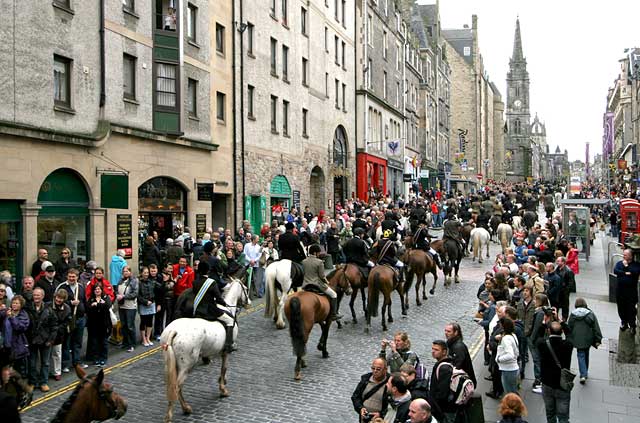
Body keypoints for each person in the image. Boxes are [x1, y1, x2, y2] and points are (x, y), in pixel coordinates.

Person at [187, 261, 236, 353]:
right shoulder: (211, 282)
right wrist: (224, 304)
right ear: (208, 271)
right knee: (230, 321)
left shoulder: (195, 282)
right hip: (210, 310)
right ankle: (228, 345)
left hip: (197, 309)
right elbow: (218, 298)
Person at [537, 321, 573, 423]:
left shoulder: (542, 344)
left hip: (547, 384)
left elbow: (538, 337)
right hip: (562, 385)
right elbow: (570, 335)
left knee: (550, 413)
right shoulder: (567, 345)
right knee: (563, 416)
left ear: (548, 331)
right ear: (561, 332)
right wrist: (563, 322)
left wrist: (543, 323)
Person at [26, 288, 58, 392]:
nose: (36, 297)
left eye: (38, 295)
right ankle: (32, 382)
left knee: (45, 362)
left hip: (45, 340)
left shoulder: (49, 310)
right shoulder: (28, 308)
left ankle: (43, 382)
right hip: (32, 340)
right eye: (34, 295)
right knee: (32, 362)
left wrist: (51, 340)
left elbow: (54, 326)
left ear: (42, 296)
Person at [56, 268, 87, 371]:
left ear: (77, 277)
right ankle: (65, 364)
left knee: (77, 341)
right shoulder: (62, 287)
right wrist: (70, 303)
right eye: (70, 276)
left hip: (80, 318)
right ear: (67, 277)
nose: (71, 278)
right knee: (66, 342)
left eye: (73, 277)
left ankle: (77, 362)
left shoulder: (81, 287)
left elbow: (84, 301)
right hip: (67, 319)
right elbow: (57, 301)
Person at [301, 244, 341, 321]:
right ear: (315, 253)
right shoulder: (319, 262)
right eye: (318, 253)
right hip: (316, 284)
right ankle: (333, 314)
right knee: (334, 294)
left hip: (305, 284)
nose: (319, 254)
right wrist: (327, 282)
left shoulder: (303, 261)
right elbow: (322, 276)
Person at [567, 298, 602, 384]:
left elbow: (569, 327)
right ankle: (584, 372)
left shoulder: (573, 314)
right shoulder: (590, 314)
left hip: (577, 339)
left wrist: (569, 338)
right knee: (586, 353)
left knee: (580, 355)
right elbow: (596, 327)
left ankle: (583, 374)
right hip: (588, 338)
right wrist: (598, 339)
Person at [351, 357, 389, 422]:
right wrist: (361, 408)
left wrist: (381, 414)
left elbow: (391, 405)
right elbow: (355, 396)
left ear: (385, 369)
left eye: (378, 369)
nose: (375, 371)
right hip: (364, 419)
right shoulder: (365, 379)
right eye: (373, 368)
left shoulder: (390, 383)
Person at [0, 296, 30, 377]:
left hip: (17, 345)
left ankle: (18, 386)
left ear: (21, 305)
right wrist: (3, 312)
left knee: (17, 369)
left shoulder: (23, 315)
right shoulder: (7, 311)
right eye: (13, 303)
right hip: (5, 345)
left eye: (17, 303)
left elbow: (20, 327)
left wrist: (12, 317)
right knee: (5, 368)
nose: (14, 305)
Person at [612, 249, 640, 334]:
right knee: (621, 308)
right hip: (620, 291)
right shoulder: (619, 263)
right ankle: (624, 322)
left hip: (631, 292)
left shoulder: (636, 265)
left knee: (631, 309)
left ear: (631, 256)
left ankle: (632, 326)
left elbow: (635, 273)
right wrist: (625, 273)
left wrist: (627, 266)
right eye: (623, 254)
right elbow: (616, 271)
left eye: (625, 255)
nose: (623, 256)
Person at [428, 340, 456, 423]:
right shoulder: (443, 364)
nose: (433, 352)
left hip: (443, 411)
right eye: (432, 349)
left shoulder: (444, 369)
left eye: (436, 350)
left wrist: (434, 408)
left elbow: (442, 394)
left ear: (444, 352)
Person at [86, 283, 112, 367]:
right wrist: (100, 306)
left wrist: (97, 305)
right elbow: (88, 309)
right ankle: (96, 358)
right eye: (96, 289)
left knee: (104, 343)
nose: (97, 291)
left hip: (104, 325)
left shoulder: (106, 298)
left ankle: (103, 358)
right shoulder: (91, 299)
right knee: (95, 343)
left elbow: (108, 306)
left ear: (101, 290)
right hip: (94, 325)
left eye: (99, 289)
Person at [444, 322, 477, 387]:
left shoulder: (458, 347)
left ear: (456, 332)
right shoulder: (450, 343)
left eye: (449, 331)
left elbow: (457, 366)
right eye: (445, 331)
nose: (446, 333)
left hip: (463, 383)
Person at [49, 289, 71, 381]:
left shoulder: (67, 308)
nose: (58, 300)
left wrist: (57, 329)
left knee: (57, 353)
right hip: (47, 333)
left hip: (59, 334)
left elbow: (66, 322)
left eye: (61, 298)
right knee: (46, 355)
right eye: (57, 297)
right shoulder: (48, 306)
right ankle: (48, 371)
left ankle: (57, 372)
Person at [116, 266, 138, 353]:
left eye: (127, 271)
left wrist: (124, 296)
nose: (125, 273)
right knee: (123, 325)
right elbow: (116, 290)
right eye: (124, 271)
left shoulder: (134, 281)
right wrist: (117, 295)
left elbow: (135, 294)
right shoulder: (120, 281)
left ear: (130, 272)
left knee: (130, 326)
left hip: (130, 307)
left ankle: (132, 344)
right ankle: (125, 342)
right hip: (122, 306)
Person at [495, 317, 520, 394]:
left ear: (503, 326)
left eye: (500, 324)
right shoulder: (513, 335)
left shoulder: (506, 339)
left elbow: (510, 355)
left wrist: (499, 359)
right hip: (513, 368)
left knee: (510, 393)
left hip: (508, 370)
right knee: (514, 392)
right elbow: (516, 352)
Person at [137, 267, 157, 347]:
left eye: (147, 273)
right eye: (145, 273)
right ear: (141, 273)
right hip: (143, 304)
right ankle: (143, 339)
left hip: (151, 303)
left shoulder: (152, 281)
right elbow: (138, 295)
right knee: (143, 322)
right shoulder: (138, 282)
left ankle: (148, 338)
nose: (146, 274)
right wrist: (145, 302)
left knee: (150, 321)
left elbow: (155, 291)